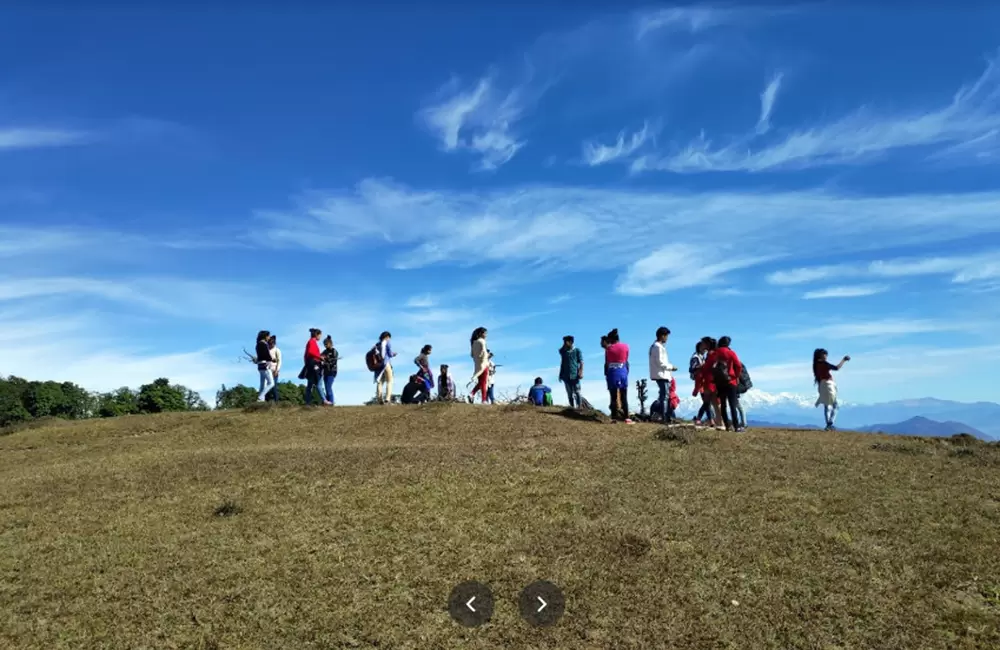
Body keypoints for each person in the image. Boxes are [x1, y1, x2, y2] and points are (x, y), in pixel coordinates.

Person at [709, 336, 744, 432]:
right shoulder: (730, 353)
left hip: (719, 382)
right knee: (733, 404)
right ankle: (736, 426)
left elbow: (710, 366)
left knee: (723, 404)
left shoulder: (715, 353)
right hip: (730, 381)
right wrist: (736, 376)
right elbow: (738, 365)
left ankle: (727, 426)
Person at [648, 327, 679, 423]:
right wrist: (671, 367)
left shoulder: (656, 346)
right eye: (666, 336)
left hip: (661, 374)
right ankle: (665, 417)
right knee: (665, 396)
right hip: (661, 375)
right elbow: (661, 362)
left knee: (664, 395)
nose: (667, 339)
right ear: (662, 336)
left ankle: (665, 416)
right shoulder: (657, 347)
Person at [814, 349, 850, 430]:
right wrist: (843, 360)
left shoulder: (816, 365)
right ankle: (830, 423)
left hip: (822, 385)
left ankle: (828, 424)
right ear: (821, 355)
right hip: (828, 385)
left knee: (827, 405)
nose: (826, 356)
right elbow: (836, 368)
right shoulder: (824, 364)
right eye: (825, 355)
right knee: (835, 405)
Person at [604, 328, 632, 424]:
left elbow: (607, 363)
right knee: (624, 396)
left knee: (613, 396)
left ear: (611, 339)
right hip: (623, 372)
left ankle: (614, 417)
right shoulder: (626, 346)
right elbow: (626, 360)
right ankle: (627, 417)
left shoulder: (608, 349)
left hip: (612, 373)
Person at [699, 337, 724, 430]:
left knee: (713, 403)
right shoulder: (715, 353)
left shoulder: (711, 354)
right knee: (715, 403)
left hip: (710, 380)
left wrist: (702, 367)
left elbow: (708, 367)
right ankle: (720, 421)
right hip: (713, 380)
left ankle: (720, 422)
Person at [303, 328, 330, 406]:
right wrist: (320, 357)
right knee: (318, 383)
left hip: (311, 364)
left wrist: (306, 364)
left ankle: (307, 403)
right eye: (320, 335)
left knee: (310, 385)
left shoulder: (311, 342)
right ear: (317, 335)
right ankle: (324, 400)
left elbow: (305, 355)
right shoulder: (312, 342)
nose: (320, 337)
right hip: (314, 365)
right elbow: (310, 352)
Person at [689, 340, 713, 425]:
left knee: (707, 402)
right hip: (700, 382)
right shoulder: (696, 357)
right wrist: (703, 366)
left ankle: (709, 420)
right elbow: (692, 368)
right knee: (707, 402)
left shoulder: (702, 357)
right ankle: (703, 419)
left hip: (703, 381)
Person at [558, 335, 584, 409]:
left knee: (577, 391)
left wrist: (581, 372)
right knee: (569, 393)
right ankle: (572, 407)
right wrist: (560, 374)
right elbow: (562, 361)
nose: (565, 343)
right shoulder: (564, 352)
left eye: (566, 342)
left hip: (575, 375)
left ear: (571, 342)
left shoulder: (577, 350)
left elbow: (581, 362)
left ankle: (579, 406)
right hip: (565, 375)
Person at [374, 331, 397, 405]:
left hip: (378, 365)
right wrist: (393, 354)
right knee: (389, 381)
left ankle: (379, 399)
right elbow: (389, 354)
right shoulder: (387, 343)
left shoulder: (377, 345)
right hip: (386, 363)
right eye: (389, 338)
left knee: (380, 382)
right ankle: (387, 399)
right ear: (387, 337)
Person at [469, 327, 489, 403]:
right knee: (484, 383)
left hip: (477, 365)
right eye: (485, 333)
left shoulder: (474, 342)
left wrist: (477, 357)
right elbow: (484, 352)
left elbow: (471, 354)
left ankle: (472, 394)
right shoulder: (482, 341)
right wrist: (486, 356)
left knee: (481, 382)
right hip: (484, 364)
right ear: (481, 333)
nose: (486, 335)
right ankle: (483, 400)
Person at [255, 330, 274, 402]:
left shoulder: (258, 344)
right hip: (265, 364)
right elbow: (266, 354)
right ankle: (260, 397)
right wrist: (270, 359)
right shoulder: (263, 344)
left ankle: (261, 400)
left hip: (260, 365)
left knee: (262, 384)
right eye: (268, 336)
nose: (269, 337)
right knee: (271, 383)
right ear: (265, 336)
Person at [321, 335, 340, 406]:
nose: (325, 346)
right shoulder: (324, 352)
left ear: (330, 343)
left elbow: (334, 362)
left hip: (332, 371)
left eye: (326, 344)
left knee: (328, 387)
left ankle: (331, 402)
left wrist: (327, 361)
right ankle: (327, 402)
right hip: (325, 372)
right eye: (324, 344)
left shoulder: (334, 351)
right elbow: (320, 357)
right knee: (326, 388)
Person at [267, 335, 282, 402]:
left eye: (271, 344)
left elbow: (279, 361)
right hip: (267, 370)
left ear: (274, 344)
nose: (270, 346)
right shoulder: (267, 350)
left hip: (274, 371)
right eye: (269, 344)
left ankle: (277, 402)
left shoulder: (277, 350)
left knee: (274, 387)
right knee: (267, 387)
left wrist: (277, 370)